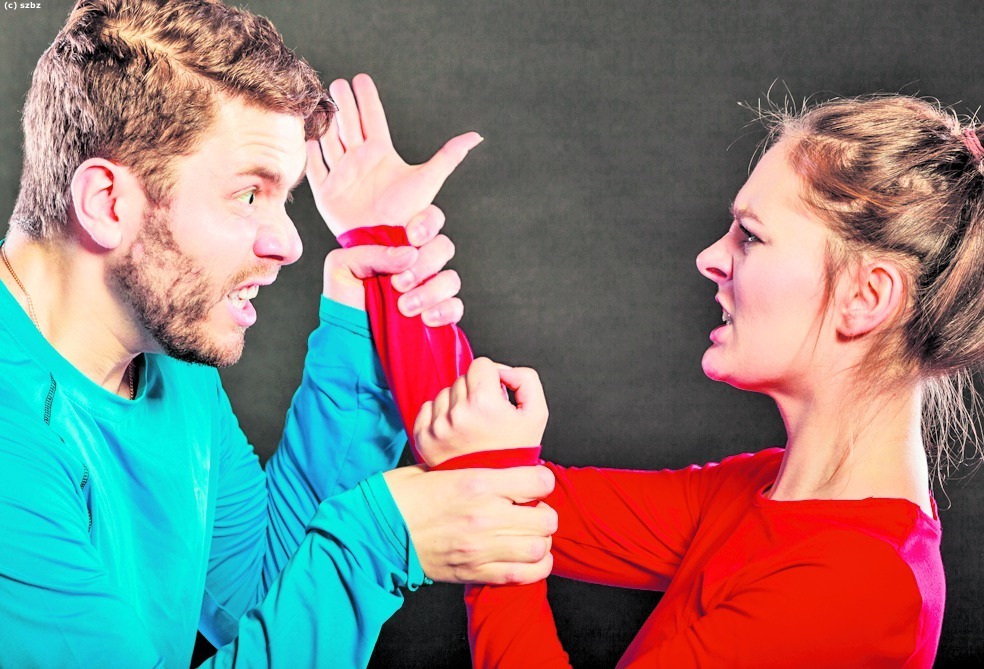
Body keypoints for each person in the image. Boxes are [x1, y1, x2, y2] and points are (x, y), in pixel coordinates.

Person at [0, 1, 558, 667]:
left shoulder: (167, 357)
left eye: (284, 197)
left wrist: (367, 317)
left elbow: (258, 592)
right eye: (248, 195)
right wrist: (376, 541)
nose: (291, 243)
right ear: (108, 203)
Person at [378, 94, 984, 667]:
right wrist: (386, 239)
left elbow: (492, 486)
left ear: (866, 297)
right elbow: (484, 464)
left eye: (751, 236)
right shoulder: (769, 491)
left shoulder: (859, 584)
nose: (710, 257)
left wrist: (496, 547)